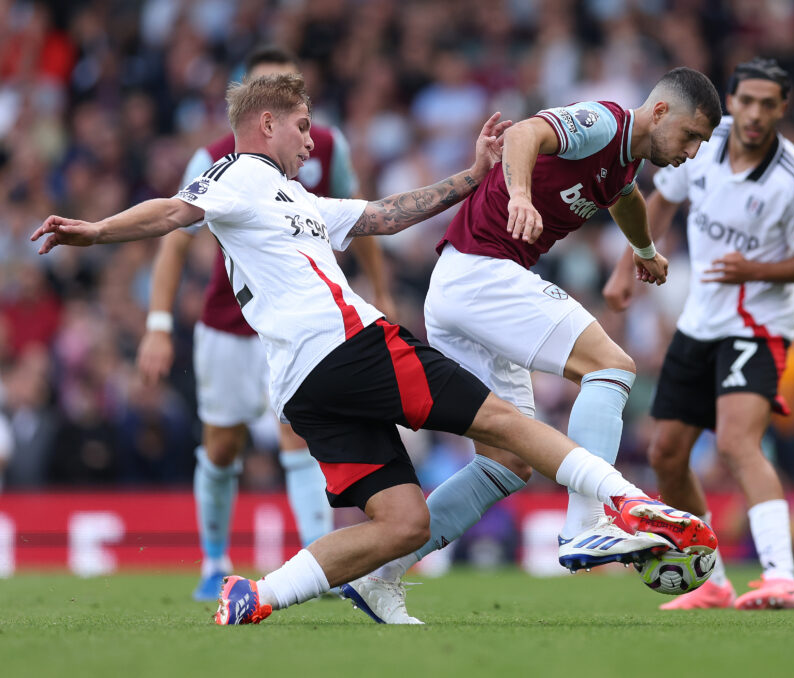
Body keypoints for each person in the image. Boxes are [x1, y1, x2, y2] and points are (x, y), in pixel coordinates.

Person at [32, 73, 717, 626]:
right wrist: (97, 231)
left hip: (304, 386)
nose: (313, 138)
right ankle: (619, 502)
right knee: (507, 424)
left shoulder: (293, 198)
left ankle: (260, 596)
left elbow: (385, 216)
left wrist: (470, 174)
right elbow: (174, 211)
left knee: (401, 521)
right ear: (265, 124)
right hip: (347, 345)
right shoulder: (235, 176)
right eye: (302, 125)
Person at [341, 66, 723, 624]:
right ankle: (587, 522)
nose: (692, 151)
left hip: (459, 288)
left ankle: (381, 575)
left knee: (509, 462)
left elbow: (625, 198)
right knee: (611, 367)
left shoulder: (621, 166)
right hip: (482, 273)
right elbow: (524, 134)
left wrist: (643, 249)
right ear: (661, 113)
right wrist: (519, 194)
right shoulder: (605, 121)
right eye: (691, 135)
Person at [135, 46, 395, 601]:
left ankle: (317, 565)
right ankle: (213, 560)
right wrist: (158, 322)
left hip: (300, 323)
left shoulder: (325, 145)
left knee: (296, 436)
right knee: (223, 445)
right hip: (228, 325)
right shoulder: (213, 159)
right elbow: (174, 238)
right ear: (255, 112)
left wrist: (381, 291)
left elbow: (361, 215)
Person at [603, 58, 794, 611]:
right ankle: (713, 582)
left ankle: (782, 576)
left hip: (758, 323)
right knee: (667, 453)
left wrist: (755, 271)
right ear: (732, 102)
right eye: (745, 101)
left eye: (766, 104)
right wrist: (629, 261)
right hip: (700, 320)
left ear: (781, 109)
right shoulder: (701, 142)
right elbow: (664, 199)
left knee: (733, 442)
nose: (754, 113)